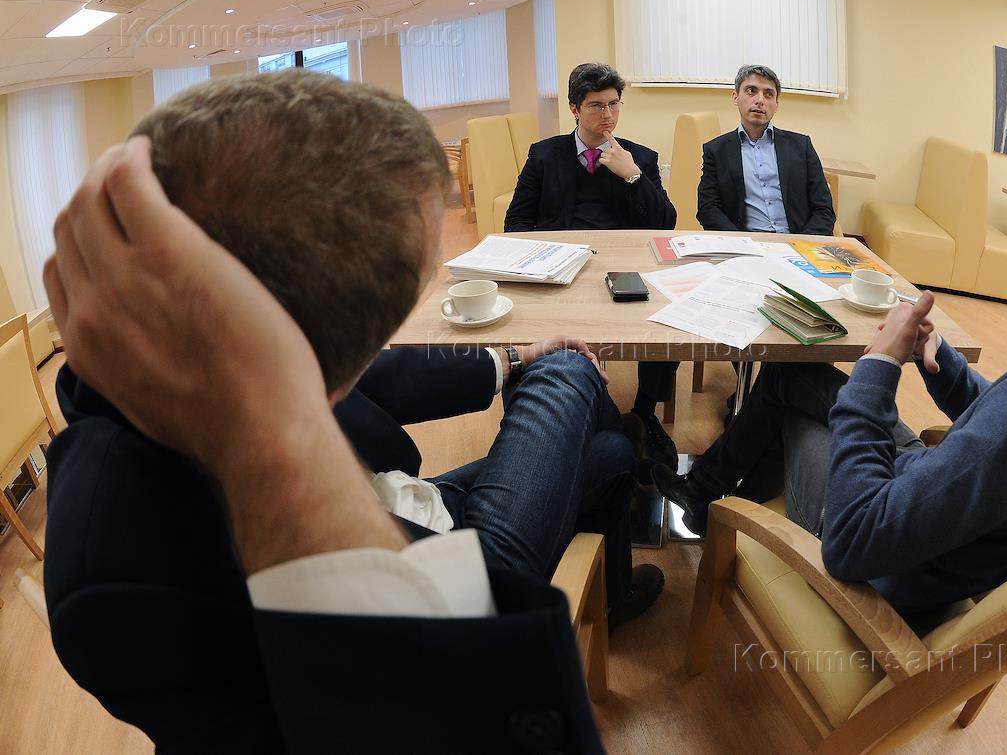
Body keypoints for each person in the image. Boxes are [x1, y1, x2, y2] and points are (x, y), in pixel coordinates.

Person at [42, 70, 663, 752]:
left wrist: (510, 357)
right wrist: (266, 433)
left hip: (404, 501)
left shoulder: (218, 342)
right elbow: (428, 707)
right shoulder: (114, 580)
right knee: (570, 371)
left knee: (608, 454)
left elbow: (378, 379)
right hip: (440, 567)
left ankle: (611, 592)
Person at [657, 147, 1007, 619]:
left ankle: (720, 504)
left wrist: (879, 366)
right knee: (793, 375)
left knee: (790, 390)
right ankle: (708, 490)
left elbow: (853, 539)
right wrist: (938, 355)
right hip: (927, 497)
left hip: (873, 542)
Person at [505, 61, 680, 474]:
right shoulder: (544, 155)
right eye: (596, 105)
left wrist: (633, 175)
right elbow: (516, 223)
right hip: (560, 267)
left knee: (665, 322)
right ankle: (548, 416)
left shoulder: (639, 157)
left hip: (623, 266)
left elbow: (666, 223)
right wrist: (545, 259)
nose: (608, 115)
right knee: (537, 332)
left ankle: (644, 410)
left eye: (614, 104)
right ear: (574, 108)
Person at [696, 64, 835, 236]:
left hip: (798, 241)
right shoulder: (716, 151)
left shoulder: (801, 146)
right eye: (751, 91)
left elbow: (824, 209)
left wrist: (801, 244)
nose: (760, 100)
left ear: (776, 105)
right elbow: (708, 208)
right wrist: (740, 242)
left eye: (768, 94)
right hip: (745, 243)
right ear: (735, 97)